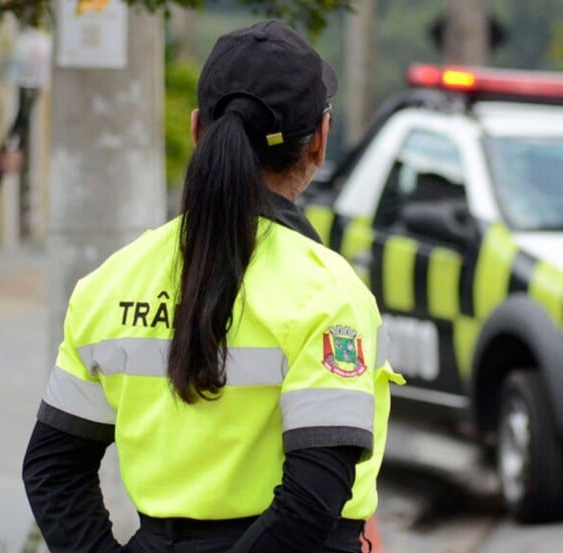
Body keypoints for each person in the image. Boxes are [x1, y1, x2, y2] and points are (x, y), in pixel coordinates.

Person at [22, 19, 403, 553]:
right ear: (319, 140)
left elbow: (52, 469)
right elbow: (314, 497)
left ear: (198, 129)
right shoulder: (327, 292)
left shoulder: (112, 281)